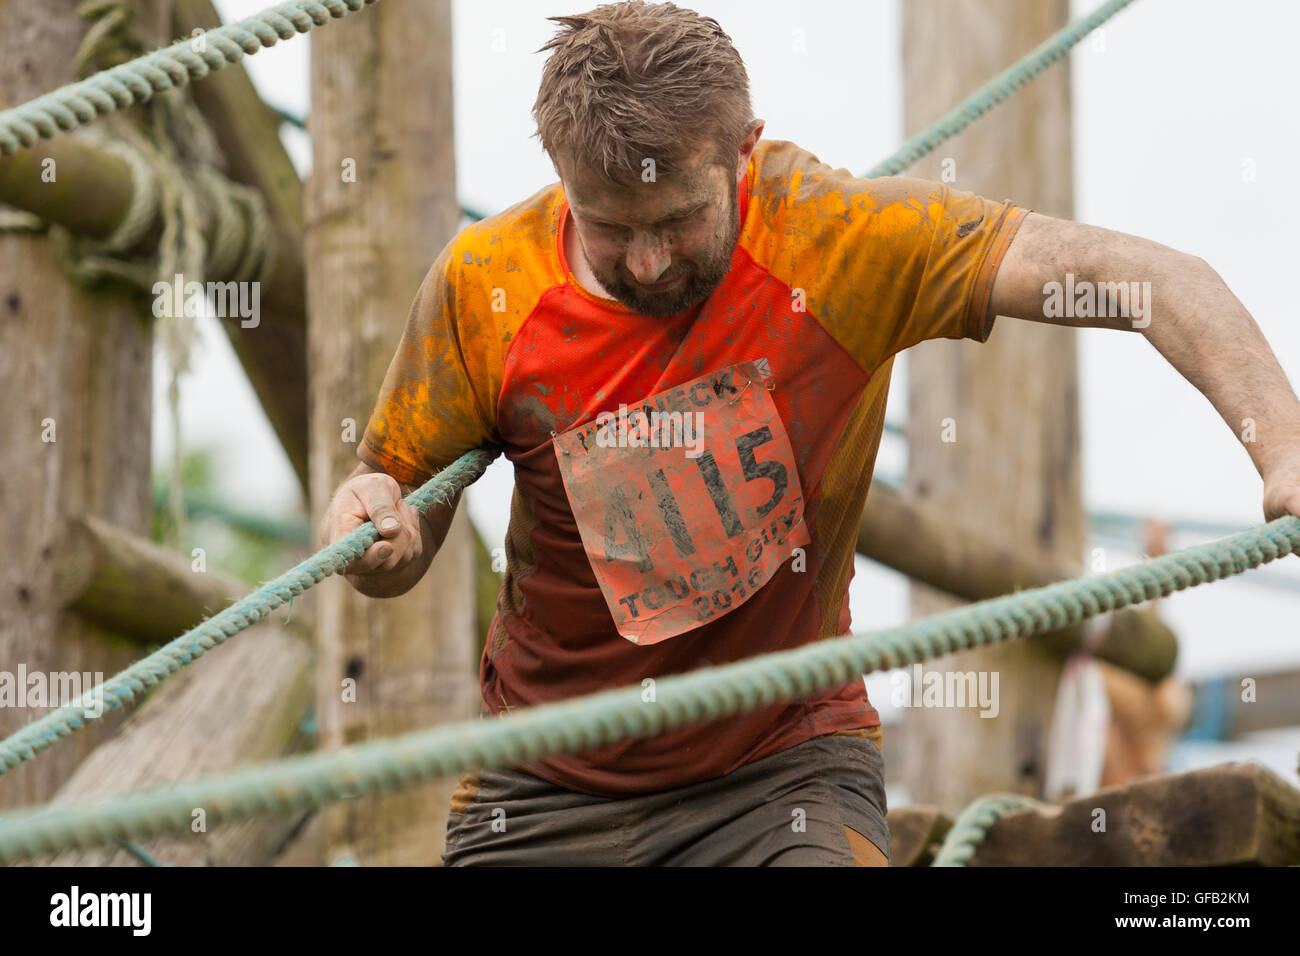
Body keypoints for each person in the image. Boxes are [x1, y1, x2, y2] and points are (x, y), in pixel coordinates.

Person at [318, 1, 1300, 866]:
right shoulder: (486, 286)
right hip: (540, 780)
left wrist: (1283, 445)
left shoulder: (838, 239)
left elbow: (1157, 282)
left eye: (679, 218)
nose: (651, 259)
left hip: (777, 768)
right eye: (612, 226)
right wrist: (375, 534)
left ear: (744, 147)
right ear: (559, 177)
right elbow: (395, 499)